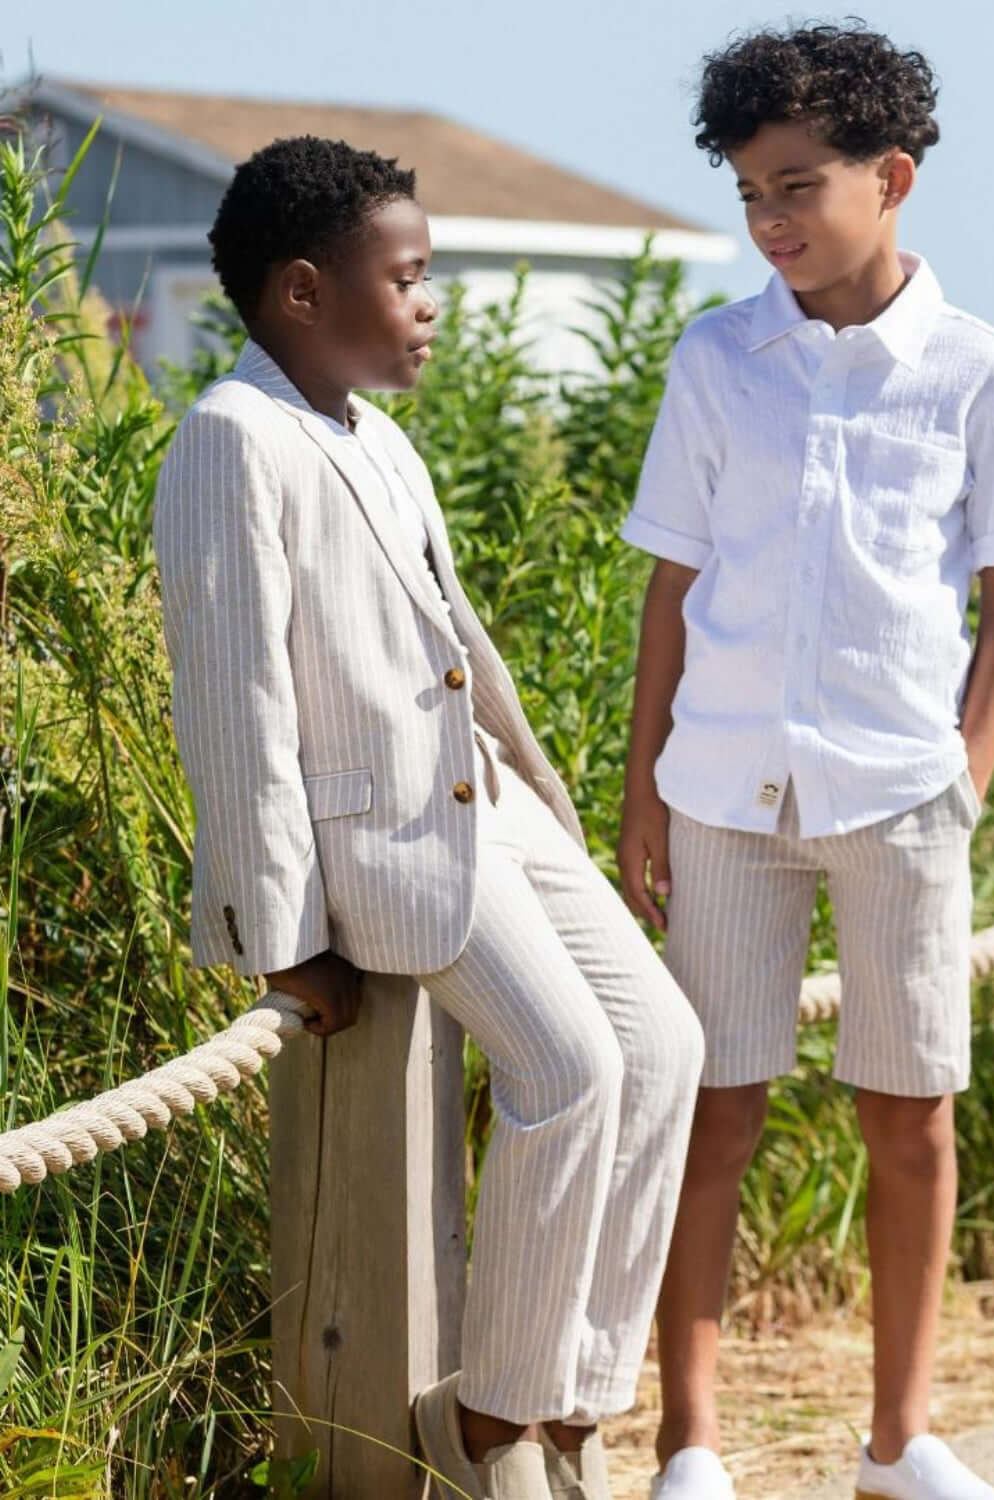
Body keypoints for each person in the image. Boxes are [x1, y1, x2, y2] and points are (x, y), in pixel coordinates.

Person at [154, 134, 704, 1500]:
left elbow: (459, 634)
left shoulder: (373, 435)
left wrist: (544, 792)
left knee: (666, 1040)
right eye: (405, 279)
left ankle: (571, 1405)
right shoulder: (232, 440)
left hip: (486, 805)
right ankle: (487, 1427)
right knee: (569, 1068)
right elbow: (237, 708)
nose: (431, 304)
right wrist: (283, 939)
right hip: (383, 841)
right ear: (300, 293)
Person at [619, 24, 994, 1500]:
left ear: (893, 177)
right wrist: (641, 799)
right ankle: (692, 1443)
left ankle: (899, 1441)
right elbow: (670, 589)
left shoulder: (982, 374)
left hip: (901, 796)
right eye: (750, 192)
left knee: (909, 1112)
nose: (771, 221)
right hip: (723, 793)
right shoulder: (715, 359)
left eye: (797, 186)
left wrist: (968, 779)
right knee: (716, 1108)